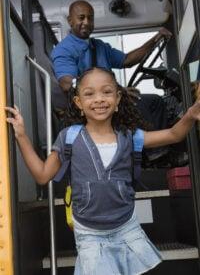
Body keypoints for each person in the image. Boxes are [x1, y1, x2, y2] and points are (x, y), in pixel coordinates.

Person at [5, 67, 200, 275]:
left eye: (107, 92)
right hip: (89, 232)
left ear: (117, 100)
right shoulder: (69, 137)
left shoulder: (129, 136)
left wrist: (190, 114)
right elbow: (42, 175)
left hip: (126, 226)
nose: (99, 99)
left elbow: (173, 135)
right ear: (78, 103)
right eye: (89, 94)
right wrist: (22, 136)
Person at [51, 0, 172, 160]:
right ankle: (155, 154)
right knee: (151, 103)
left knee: (152, 102)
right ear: (70, 20)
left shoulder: (99, 46)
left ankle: (154, 154)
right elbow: (67, 83)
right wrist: (116, 92)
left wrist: (155, 39)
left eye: (90, 18)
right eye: (81, 18)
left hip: (111, 100)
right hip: (92, 109)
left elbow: (127, 59)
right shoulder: (64, 49)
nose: (86, 22)